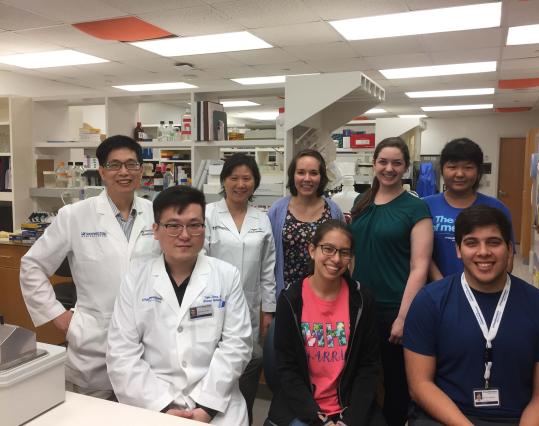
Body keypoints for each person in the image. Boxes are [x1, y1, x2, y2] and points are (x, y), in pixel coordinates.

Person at [20, 135, 160, 398]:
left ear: (141, 170)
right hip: (94, 342)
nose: (124, 172)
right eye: (115, 165)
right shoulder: (75, 215)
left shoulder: (156, 214)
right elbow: (32, 266)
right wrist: (58, 316)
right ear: (102, 171)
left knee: (145, 408)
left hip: (149, 342)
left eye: (131, 164)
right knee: (93, 411)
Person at [404, 205, 539, 425]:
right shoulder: (429, 302)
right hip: (447, 418)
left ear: (509, 249)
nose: (483, 252)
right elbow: (420, 385)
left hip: (519, 419)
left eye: (493, 242)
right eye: (472, 243)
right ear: (458, 250)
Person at [107, 186, 252, 425]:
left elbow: (237, 346)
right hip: (153, 404)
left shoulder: (227, 276)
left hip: (217, 406)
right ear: (155, 230)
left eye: (194, 225)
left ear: (204, 228)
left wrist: (206, 407)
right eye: (173, 226)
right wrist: (162, 407)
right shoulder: (135, 280)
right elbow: (122, 354)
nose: (184, 235)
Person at [350, 137, 433, 426]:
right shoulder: (361, 202)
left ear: (406, 167)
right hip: (359, 305)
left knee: (396, 382)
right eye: (383, 162)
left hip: (394, 307)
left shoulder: (415, 208)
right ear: (374, 163)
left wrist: (403, 316)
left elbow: (419, 266)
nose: (389, 168)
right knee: (361, 376)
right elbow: (354, 255)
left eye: (397, 163)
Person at [267, 220, 383, 426]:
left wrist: (350, 421)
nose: (336, 259)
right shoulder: (291, 300)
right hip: (304, 407)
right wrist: (319, 420)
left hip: (350, 407)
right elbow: (287, 368)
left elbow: (368, 366)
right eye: (328, 249)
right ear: (312, 250)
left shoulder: (362, 300)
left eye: (344, 252)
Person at [204, 153, 276, 424]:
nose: (240, 184)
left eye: (247, 178)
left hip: (249, 305)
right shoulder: (208, 214)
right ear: (224, 181)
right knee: (213, 367)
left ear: (255, 183)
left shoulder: (262, 219)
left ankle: (243, 417)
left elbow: (268, 268)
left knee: (246, 366)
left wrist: (268, 310)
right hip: (212, 305)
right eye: (234, 178)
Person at [422, 138, 514, 281]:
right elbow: (420, 253)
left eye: (468, 167)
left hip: (484, 288)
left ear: (478, 171)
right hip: (435, 289)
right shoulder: (424, 206)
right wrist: (443, 287)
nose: (460, 174)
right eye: (452, 167)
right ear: (442, 170)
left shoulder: (496, 208)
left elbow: (507, 257)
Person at [268, 149, 343, 297]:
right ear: (293, 175)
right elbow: (267, 258)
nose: (307, 178)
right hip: (286, 296)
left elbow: (343, 252)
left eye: (313, 173)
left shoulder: (334, 211)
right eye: (301, 172)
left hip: (325, 295)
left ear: (321, 177)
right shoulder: (277, 210)